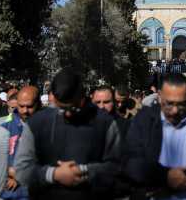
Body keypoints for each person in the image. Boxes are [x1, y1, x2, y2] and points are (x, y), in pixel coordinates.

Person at [15, 68, 121, 200]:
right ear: (53, 97)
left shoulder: (105, 123)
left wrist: (83, 171)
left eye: (73, 107)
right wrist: (54, 174)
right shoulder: (36, 123)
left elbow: (117, 167)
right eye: (62, 109)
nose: (68, 113)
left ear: (82, 96)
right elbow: (22, 171)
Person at [124, 73, 186, 199]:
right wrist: (165, 176)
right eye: (169, 104)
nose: (175, 110)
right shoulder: (144, 120)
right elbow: (132, 160)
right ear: (160, 97)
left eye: (181, 104)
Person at [0, 86, 41, 200]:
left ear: (39, 104)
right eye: (21, 106)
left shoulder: (49, 129)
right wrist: (7, 172)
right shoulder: (4, 129)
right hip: (6, 194)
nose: (25, 110)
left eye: (30, 106)